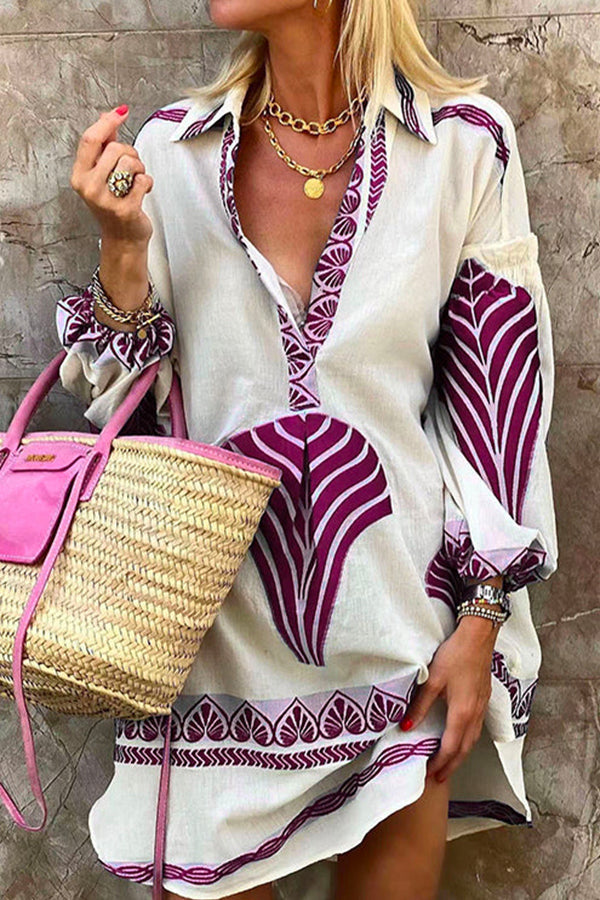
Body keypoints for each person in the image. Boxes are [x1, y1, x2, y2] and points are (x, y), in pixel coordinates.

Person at [57, 0, 559, 898]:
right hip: (213, 665)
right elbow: (117, 405)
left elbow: (497, 400)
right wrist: (123, 247)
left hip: (405, 653)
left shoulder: (462, 146)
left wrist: (482, 615)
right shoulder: (171, 154)